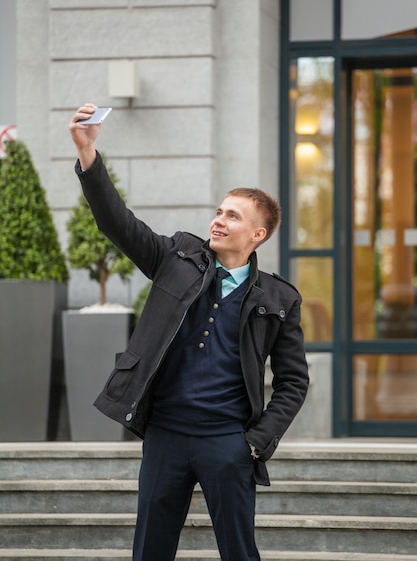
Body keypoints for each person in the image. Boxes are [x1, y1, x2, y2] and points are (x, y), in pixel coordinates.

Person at [69, 103, 309, 561]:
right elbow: (116, 223)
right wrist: (88, 153)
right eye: (219, 211)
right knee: (150, 551)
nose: (219, 220)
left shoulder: (279, 299)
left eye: (233, 216)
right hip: (166, 436)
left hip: (228, 442)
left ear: (258, 234)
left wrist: (257, 442)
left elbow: (294, 381)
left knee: (240, 552)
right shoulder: (177, 259)